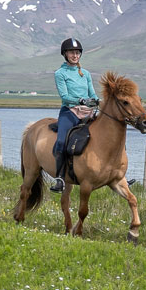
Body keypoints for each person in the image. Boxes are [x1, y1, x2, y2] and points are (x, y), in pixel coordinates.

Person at [50, 37, 98, 193]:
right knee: (61, 141)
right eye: (71, 52)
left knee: (109, 133)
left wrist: (99, 101)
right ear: (65, 54)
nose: (75, 55)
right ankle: (59, 178)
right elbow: (64, 97)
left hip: (87, 112)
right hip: (69, 111)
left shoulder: (86, 73)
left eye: (77, 52)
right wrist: (81, 100)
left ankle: (118, 175)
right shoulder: (60, 73)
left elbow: (92, 93)